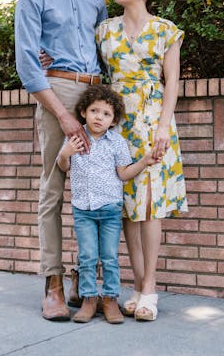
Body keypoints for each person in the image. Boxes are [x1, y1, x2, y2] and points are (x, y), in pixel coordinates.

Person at [14, 0, 107, 321]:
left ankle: (86, 282)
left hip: (96, 92)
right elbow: (27, 63)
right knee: (53, 189)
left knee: (99, 190)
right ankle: (51, 281)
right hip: (58, 90)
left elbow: (108, 47)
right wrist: (62, 114)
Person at [96, 0, 188, 321]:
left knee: (150, 205)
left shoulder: (166, 30)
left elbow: (173, 82)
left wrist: (164, 126)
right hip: (117, 125)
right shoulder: (104, 30)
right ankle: (136, 286)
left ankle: (150, 288)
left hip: (152, 122)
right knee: (127, 208)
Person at [56, 85, 157, 324]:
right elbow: (64, 167)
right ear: (83, 112)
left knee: (110, 257)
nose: (99, 117)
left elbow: (123, 173)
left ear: (113, 120)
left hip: (110, 209)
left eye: (106, 114)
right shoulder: (74, 138)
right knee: (88, 256)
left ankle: (111, 299)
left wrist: (144, 161)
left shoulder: (117, 143)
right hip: (84, 210)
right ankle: (89, 299)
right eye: (94, 111)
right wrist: (65, 153)